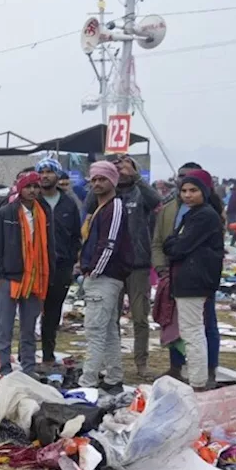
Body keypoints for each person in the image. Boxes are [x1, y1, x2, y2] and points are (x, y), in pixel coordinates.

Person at [85, 156, 159, 377]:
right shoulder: (107, 195)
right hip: (113, 267)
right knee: (109, 317)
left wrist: (135, 176)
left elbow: (155, 201)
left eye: (127, 165)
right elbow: (89, 204)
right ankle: (112, 363)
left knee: (139, 316)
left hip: (138, 264)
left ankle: (141, 362)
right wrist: (107, 174)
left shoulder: (140, 192)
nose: (122, 168)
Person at [161, 170, 224, 390]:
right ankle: (197, 378)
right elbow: (170, 243)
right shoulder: (192, 214)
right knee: (192, 330)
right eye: (184, 191)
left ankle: (197, 382)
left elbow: (178, 247)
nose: (188, 195)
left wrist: (173, 245)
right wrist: (173, 244)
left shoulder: (204, 215)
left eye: (193, 190)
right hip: (188, 278)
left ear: (204, 192)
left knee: (192, 331)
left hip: (194, 279)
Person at [0, 171, 53, 375]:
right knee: (5, 326)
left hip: (35, 276)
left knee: (29, 328)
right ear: (20, 188)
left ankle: (29, 368)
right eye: (28, 187)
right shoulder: (6, 213)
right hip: (9, 277)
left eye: (36, 186)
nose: (32, 191)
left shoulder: (43, 212)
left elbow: (50, 244)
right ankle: (5, 368)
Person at [78, 160, 132, 394]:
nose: (98, 183)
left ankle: (87, 381)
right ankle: (113, 376)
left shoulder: (115, 206)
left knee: (94, 331)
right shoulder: (100, 207)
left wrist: (93, 271)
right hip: (100, 275)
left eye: (103, 179)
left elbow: (109, 244)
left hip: (105, 276)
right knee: (108, 330)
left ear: (113, 181)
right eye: (95, 179)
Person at [33, 158, 82, 368]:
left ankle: (48, 355)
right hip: (35, 265)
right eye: (41, 172)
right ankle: (27, 355)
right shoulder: (33, 201)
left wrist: (71, 260)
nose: (45, 176)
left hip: (61, 265)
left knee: (53, 312)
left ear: (57, 175)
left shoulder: (68, 203)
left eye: (49, 172)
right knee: (30, 311)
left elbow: (75, 236)